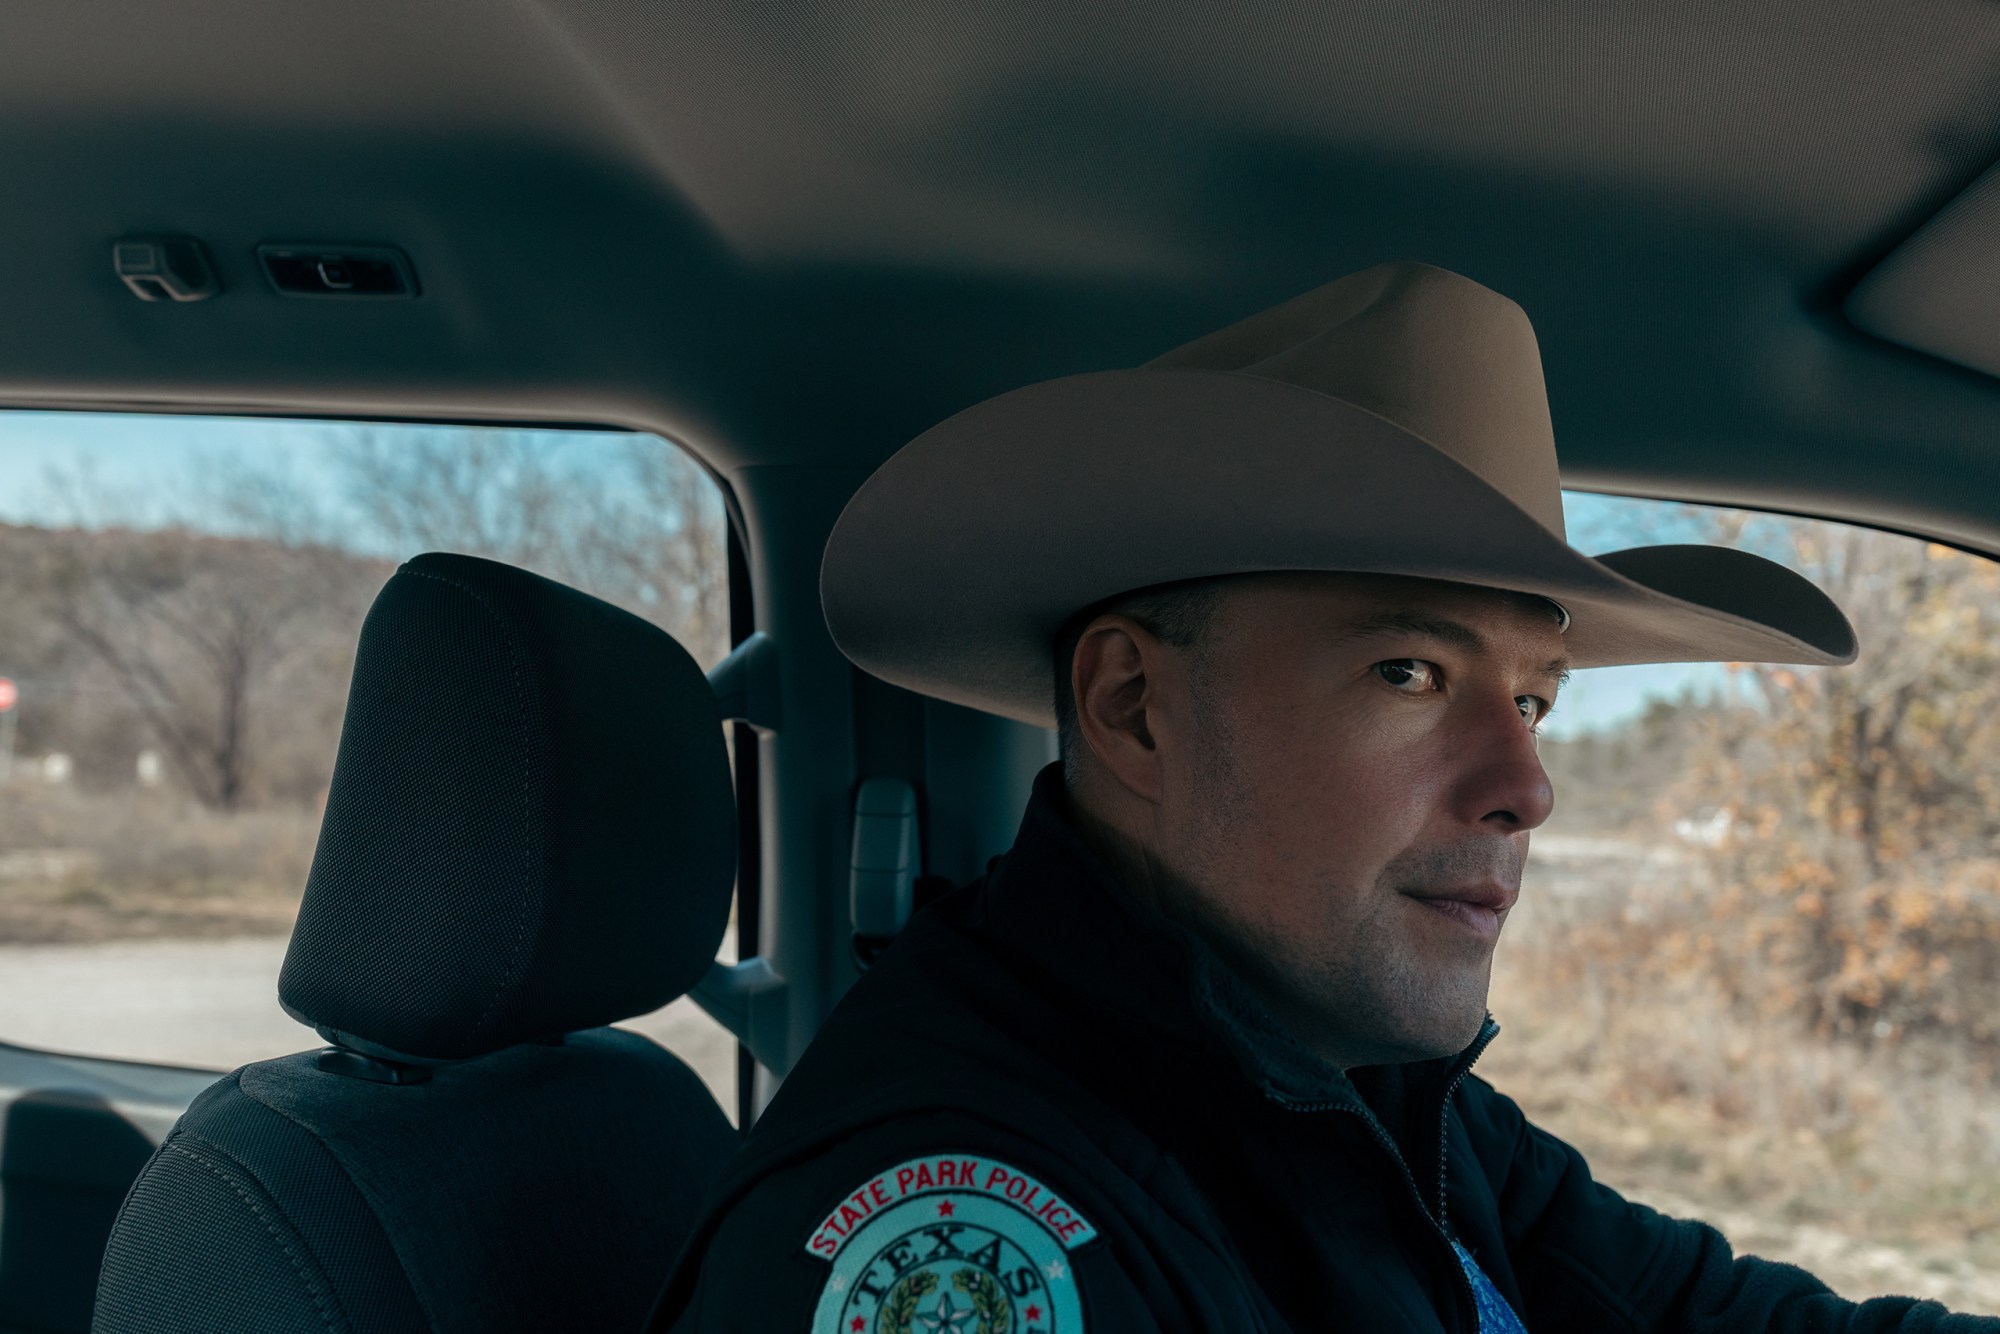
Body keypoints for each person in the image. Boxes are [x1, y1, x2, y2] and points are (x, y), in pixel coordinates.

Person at [649, 264, 1985, 1331]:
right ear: (1135, 708)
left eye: (1532, 698)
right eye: (1409, 669)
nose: (1528, 785)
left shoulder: (1378, 1098)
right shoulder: (978, 1236)